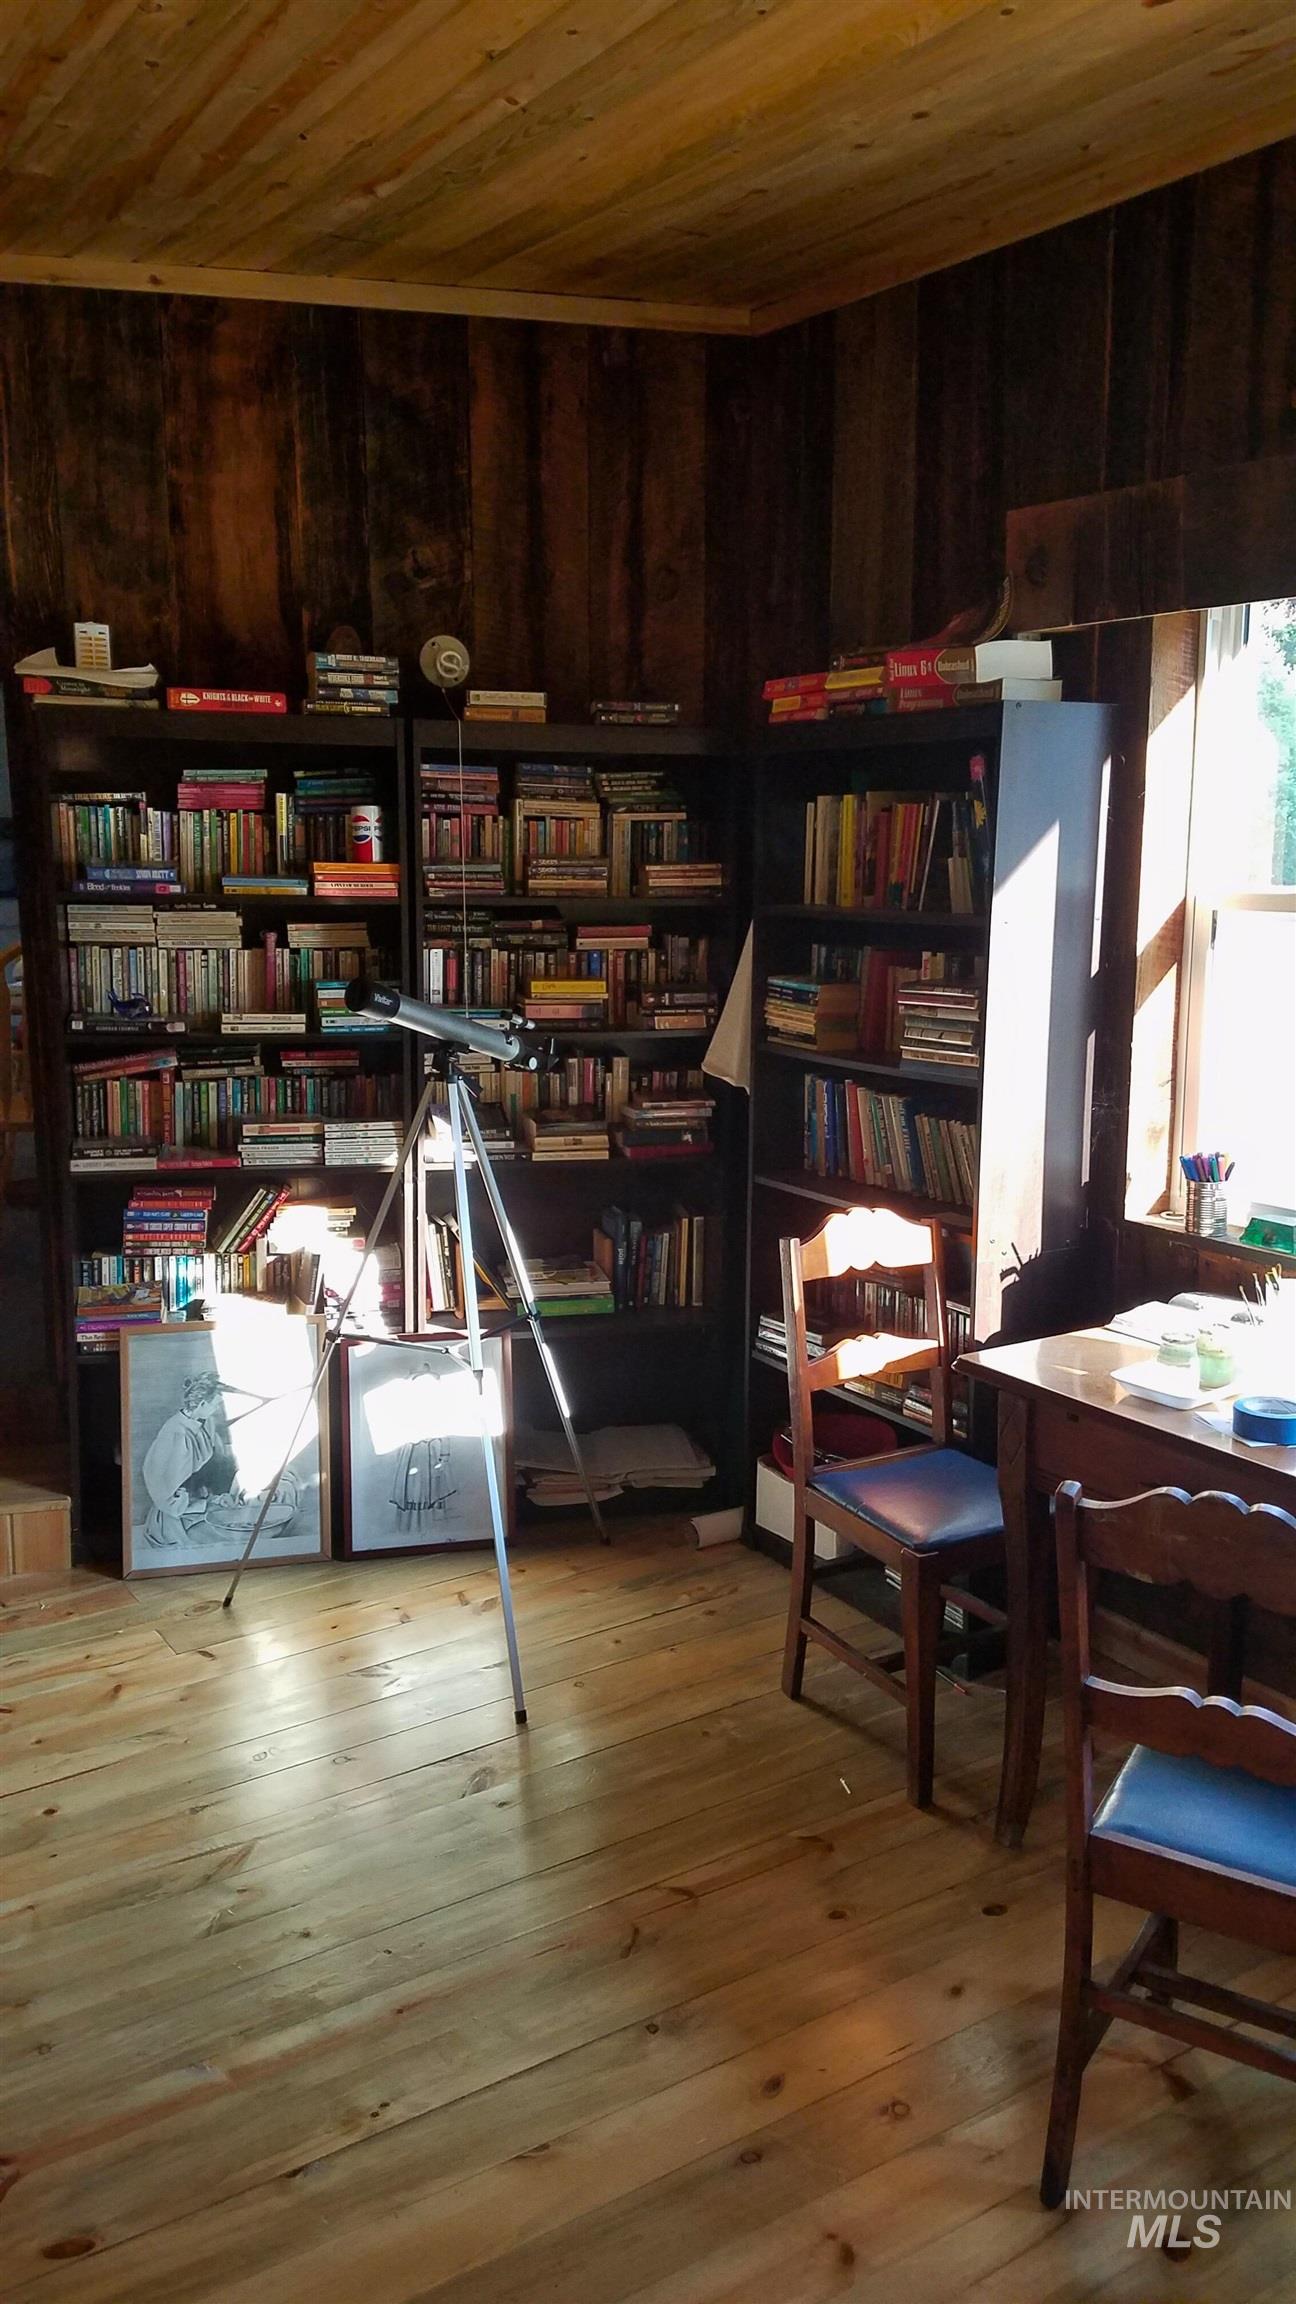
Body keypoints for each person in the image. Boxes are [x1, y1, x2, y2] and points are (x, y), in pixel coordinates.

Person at [139, 1372, 223, 1549]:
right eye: (216, 1405)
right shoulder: (176, 1434)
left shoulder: (204, 1422)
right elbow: (165, 1489)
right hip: (175, 1517)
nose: (217, 1409)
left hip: (197, 1504)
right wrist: (204, 1504)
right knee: (219, 1541)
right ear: (202, 1404)